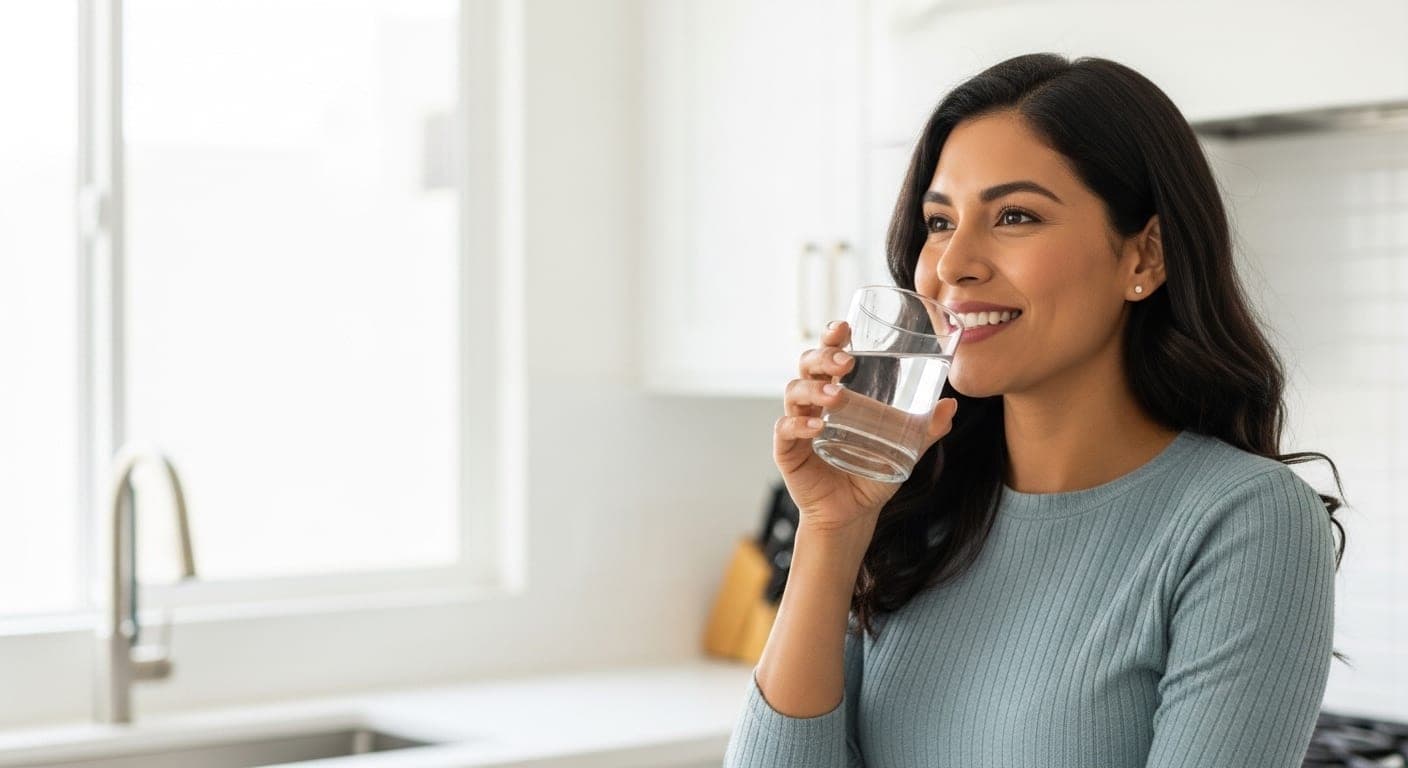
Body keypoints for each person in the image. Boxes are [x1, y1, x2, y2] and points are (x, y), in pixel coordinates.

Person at [724, 52, 1348, 768]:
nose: (953, 263)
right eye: (938, 221)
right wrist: (832, 532)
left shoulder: (1245, 523)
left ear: (1145, 256)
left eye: (1014, 215)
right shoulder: (912, 509)